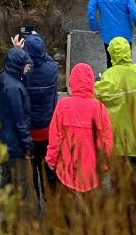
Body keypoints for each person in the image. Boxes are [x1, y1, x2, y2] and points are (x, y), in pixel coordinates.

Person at [94, 35, 136, 191]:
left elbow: (97, 94)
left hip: (118, 139)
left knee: (119, 176)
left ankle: (121, 203)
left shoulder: (110, 76)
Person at [45, 62, 114, 192]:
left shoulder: (63, 105)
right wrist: (104, 164)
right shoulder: (99, 108)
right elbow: (107, 141)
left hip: (67, 170)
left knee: (69, 208)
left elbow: (55, 138)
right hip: (92, 172)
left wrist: (51, 160)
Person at [0, 47, 36, 208]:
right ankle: (22, 225)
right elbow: (20, 121)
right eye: (26, 65)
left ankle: (1, 217)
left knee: (6, 181)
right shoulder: (15, 88)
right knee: (23, 185)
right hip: (15, 146)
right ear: (19, 65)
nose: (28, 67)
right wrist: (28, 145)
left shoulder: (4, 77)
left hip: (3, 140)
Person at [20, 26, 59, 201]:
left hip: (28, 133)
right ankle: (52, 201)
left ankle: (34, 205)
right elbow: (46, 58)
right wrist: (36, 40)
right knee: (49, 168)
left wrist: (17, 51)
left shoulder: (22, 74)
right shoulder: (51, 69)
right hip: (48, 130)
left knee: (30, 172)